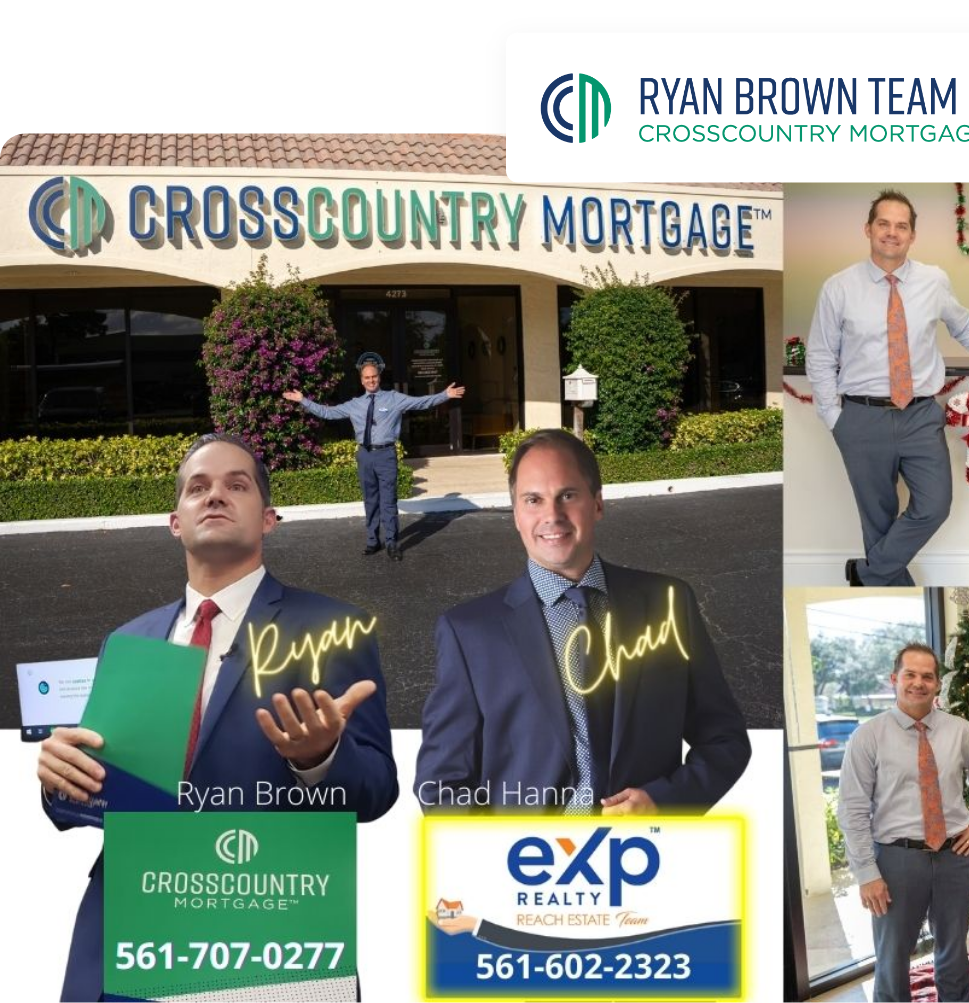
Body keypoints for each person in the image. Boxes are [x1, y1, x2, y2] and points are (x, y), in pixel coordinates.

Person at [35, 433, 397, 1003]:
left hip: (269, 936)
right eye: (197, 488)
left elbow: (376, 792)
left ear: (269, 518)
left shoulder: (332, 628)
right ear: (175, 521)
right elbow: (95, 792)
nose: (215, 496)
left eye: (237, 485)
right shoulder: (128, 642)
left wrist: (320, 758)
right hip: (133, 929)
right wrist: (59, 781)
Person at [414, 430, 750, 814]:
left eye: (568, 496)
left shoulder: (669, 604)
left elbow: (725, 740)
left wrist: (664, 801)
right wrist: (502, 858)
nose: (551, 516)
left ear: (598, 504)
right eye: (533, 500)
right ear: (517, 516)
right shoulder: (468, 632)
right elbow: (440, 787)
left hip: (643, 857)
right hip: (526, 863)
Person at [806, 189, 969, 587]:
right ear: (868, 229)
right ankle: (886, 587)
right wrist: (833, 417)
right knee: (878, 518)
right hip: (861, 416)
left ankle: (865, 574)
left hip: (921, 414)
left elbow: (963, 323)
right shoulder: (839, 288)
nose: (892, 233)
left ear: (912, 235)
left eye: (901, 226)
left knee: (935, 505)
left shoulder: (933, 280)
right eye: (883, 224)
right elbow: (819, 356)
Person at [837, 644, 969, 1003]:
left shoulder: (960, 731)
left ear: (938, 684)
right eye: (910, 674)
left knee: (954, 949)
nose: (918, 683)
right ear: (895, 679)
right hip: (896, 861)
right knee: (893, 958)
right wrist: (867, 873)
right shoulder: (868, 736)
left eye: (927, 676)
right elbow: (852, 809)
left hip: (953, 854)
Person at [282, 351, 465, 561]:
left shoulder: (394, 398)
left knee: (388, 502)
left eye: (374, 377)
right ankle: (372, 541)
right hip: (365, 456)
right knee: (370, 501)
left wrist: (445, 395)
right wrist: (302, 400)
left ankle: (392, 543)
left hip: (386, 454)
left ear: (379, 377)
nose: (371, 380)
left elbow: (420, 402)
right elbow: (328, 413)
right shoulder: (354, 404)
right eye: (367, 377)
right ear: (362, 380)